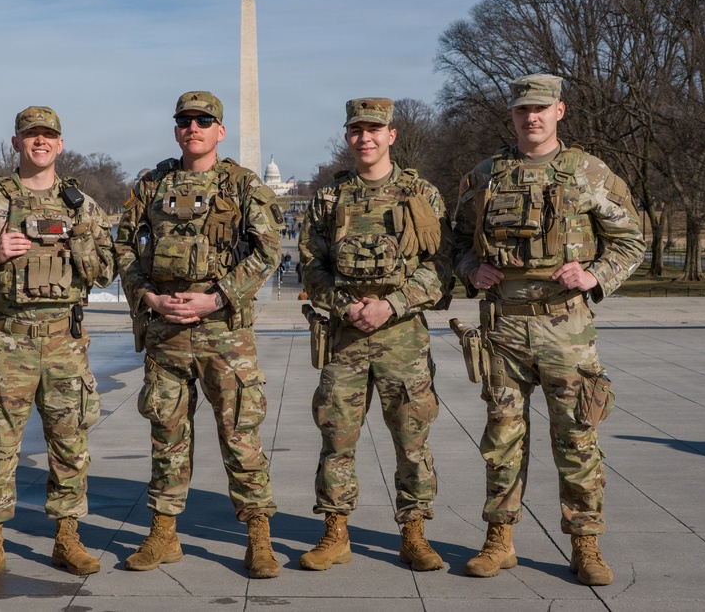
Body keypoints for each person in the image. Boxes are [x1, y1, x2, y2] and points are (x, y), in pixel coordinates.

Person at [453, 74, 645, 585]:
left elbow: (630, 240)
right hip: (504, 329)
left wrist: (594, 276)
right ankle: (500, 539)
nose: (531, 117)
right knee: (501, 438)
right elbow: (453, 241)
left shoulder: (589, 172)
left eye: (541, 108)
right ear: (511, 115)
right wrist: (472, 269)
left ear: (560, 110)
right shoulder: (486, 175)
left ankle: (585, 544)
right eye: (521, 110)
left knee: (578, 438)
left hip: (567, 331)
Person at [0, 106, 114, 582]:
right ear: (15, 143)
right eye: (30, 135)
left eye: (48, 136)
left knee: (70, 443)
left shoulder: (81, 205)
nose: (40, 143)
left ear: (60, 144)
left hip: (64, 341)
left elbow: (108, 268)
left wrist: (81, 246)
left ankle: (67, 538)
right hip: (8, 340)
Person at [114, 91, 283, 579]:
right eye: (185, 120)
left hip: (223, 332)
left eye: (204, 120)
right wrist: (148, 297)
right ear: (175, 129)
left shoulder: (243, 184)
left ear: (220, 130)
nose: (194, 128)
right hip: (165, 330)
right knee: (166, 433)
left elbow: (268, 250)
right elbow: (123, 248)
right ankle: (164, 533)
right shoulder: (150, 185)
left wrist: (220, 296)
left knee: (240, 435)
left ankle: (258, 536)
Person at [297, 98, 454, 572]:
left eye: (373, 129)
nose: (364, 138)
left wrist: (391, 305)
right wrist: (346, 305)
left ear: (391, 135)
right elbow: (311, 265)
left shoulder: (421, 193)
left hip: (403, 337)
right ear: (347, 137)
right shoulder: (329, 198)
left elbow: (442, 267)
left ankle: (415, 532)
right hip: (344, 339)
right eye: (355, 130)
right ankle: (335, 531)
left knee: (412, 441)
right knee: (337, 439)